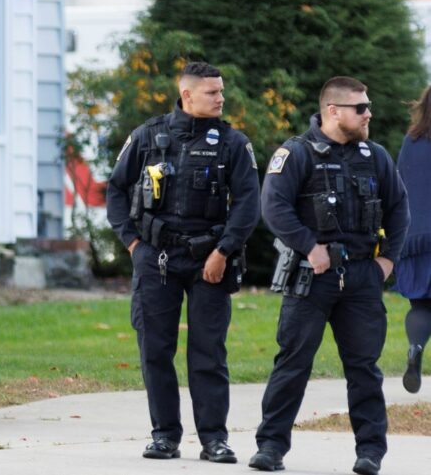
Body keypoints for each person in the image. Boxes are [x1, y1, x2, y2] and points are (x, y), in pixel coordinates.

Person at [251, 77, 410, 475]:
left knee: (364, 369)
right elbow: (273, 207)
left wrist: (387, 262)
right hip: (312, 278)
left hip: (362, 277)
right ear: (333, 111)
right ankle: (271, 447)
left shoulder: (374, 156)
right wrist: (309, 245)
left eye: (368, 106)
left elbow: (399, 210)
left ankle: (370, 452)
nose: (369, 113)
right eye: (361, 107)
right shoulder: (297, 154)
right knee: (292, 363)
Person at [106, 62, 260, 463]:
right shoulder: (147, 136)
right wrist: (133, 244)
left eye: (221, 92)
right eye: (212, 93)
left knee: (208, 352)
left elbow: (248, 205)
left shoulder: (233, 143)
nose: (221, 98)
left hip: (210, 260)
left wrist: (223, 251)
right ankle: (165, 435)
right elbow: (116, 191)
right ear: (187, 95)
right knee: (155, 349)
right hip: (155, 258)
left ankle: (214, 440)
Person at [394, 84, 431, 394]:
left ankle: (416, 347)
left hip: (415, 239)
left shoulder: (411, 140)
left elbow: (398, 185)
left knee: (420, 306)